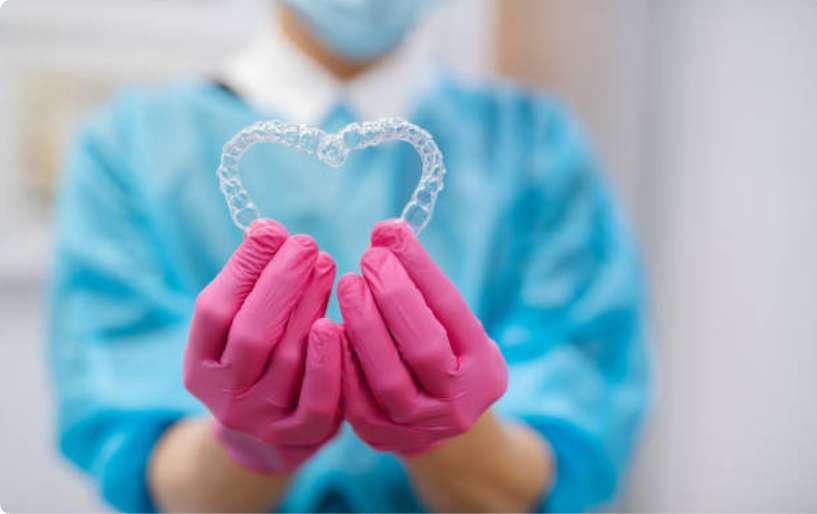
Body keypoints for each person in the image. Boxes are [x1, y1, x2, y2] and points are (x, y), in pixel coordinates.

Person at [49, 0, 650, 512]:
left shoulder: (536, 146)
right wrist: (246, 444)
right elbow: (150, 468)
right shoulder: (128, 147)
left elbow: (564, 449)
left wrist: (457, 439)